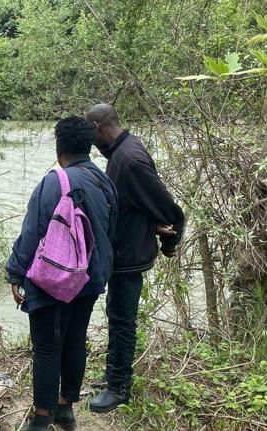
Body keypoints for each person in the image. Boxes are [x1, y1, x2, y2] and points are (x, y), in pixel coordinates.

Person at [6, 116, 117, 431]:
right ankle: (65, 410)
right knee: (73, 342)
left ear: (59, 147)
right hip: (90, 278)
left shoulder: (54, 181)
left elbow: (32, 234)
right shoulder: (103, 180)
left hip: (53, 278)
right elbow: (112, 230)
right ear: (88, 146)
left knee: (46, 347)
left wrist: (15, 273)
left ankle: (41, 420)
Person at [85, 103, 185, 412]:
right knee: (116, 314)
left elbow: (168, 210)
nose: (92, 143)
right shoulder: (122, 150)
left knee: (123, 319)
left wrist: (170, 242)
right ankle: (113, 374)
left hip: (130, 252)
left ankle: (119, 388)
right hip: (121, 249)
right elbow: (134, 201)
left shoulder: (129, 160)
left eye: (91, 136)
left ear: (99, 128)